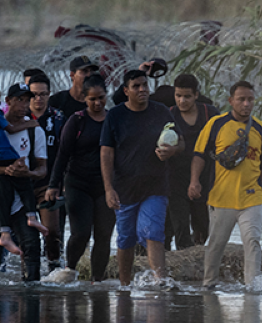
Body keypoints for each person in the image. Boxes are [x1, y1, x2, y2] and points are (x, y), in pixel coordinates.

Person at [101, 69, 184, 286]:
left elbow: (181, 142)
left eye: (145, 85)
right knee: (125, 238)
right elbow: (106, 153)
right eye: (136, 86)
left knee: (153, 231)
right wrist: (108, 189)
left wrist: (172, 151)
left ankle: (160, 281)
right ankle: (125, 285)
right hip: (124, 187)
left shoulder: (162, 111)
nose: (142, 89)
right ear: (126, 91)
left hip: (155, 184)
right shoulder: (115, 115)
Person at [190, 80, 262, 289]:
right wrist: (194, 181)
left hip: (251, 197)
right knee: (216, 244)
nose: (246, 104)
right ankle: (208, 285)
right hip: (221, 197)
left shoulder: (261, 129)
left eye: (250, 100)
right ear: (231, 101)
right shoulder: (216, 125)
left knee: (252, 241)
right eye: (241, 99)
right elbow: (199, 155)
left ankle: (252, 287)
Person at [0, 86, 47, 284]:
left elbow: (42, 169)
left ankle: (32, 293)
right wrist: (5, 171)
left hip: (21, 200)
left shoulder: (34, 130)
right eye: (19, 100)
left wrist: (27, 173)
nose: (23, 105)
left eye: (26, 100)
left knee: (31, 245)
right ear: (8, 100)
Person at [45, 74, 115, 281]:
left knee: (103, 236)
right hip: (78, 184)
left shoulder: (113, 120)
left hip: (106, 186)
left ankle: (97, 280)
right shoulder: (76, 121)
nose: (97, 102)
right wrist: (53, 186)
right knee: (81, 233)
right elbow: (62, 155)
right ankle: (70, 270)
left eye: (101, 97)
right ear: (84, 98)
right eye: (92, 99)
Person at [166, 74, 219, 249]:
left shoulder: (210, 114)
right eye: (178, 96)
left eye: (187, 96)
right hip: (175, 179)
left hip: (204, 179)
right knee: (180, 225)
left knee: (203, 227)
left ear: (196, 95)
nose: (182, 101)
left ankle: (198, 260)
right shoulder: (169, 114)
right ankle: (182, 264)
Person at [25, 70, 66, 270]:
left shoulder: (59, 118)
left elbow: (65, 153)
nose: (38, 98)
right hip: (22, 183)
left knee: (52, 232)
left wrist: (61, 182)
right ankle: (28, 273)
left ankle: (54, 270)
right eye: (34, 94)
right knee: (26, 234)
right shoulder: (18, 118)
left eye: (43, 94)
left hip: (48, 184)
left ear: (49, 94)